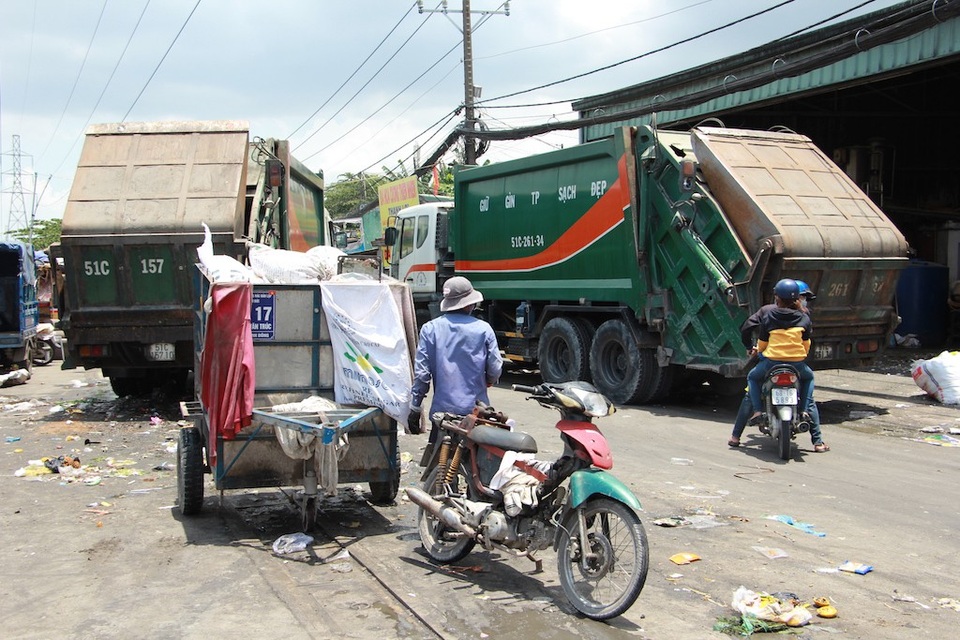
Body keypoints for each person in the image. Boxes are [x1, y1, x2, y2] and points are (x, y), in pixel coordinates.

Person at [729, 279, 827, 452]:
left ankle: (748, 422)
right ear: (798, 298)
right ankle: (817, 440)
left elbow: (760, 339)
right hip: (797, 364)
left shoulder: (768, 314)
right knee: (809, 384)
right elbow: (807, 344)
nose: (805, 301)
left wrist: (755, 350)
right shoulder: (804, 317)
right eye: (804, 298)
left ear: (777, 297)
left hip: (771, 362)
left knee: (751, 382)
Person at [408, 276, 503, 442]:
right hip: (476, 413)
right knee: (475, 465)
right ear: (469, 304)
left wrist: (415, 408)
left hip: (442, 416)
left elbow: (422, 375)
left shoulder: (430, 329)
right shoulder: (484, 329)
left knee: (439, 465)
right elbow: (495, 368)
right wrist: (488, 380)